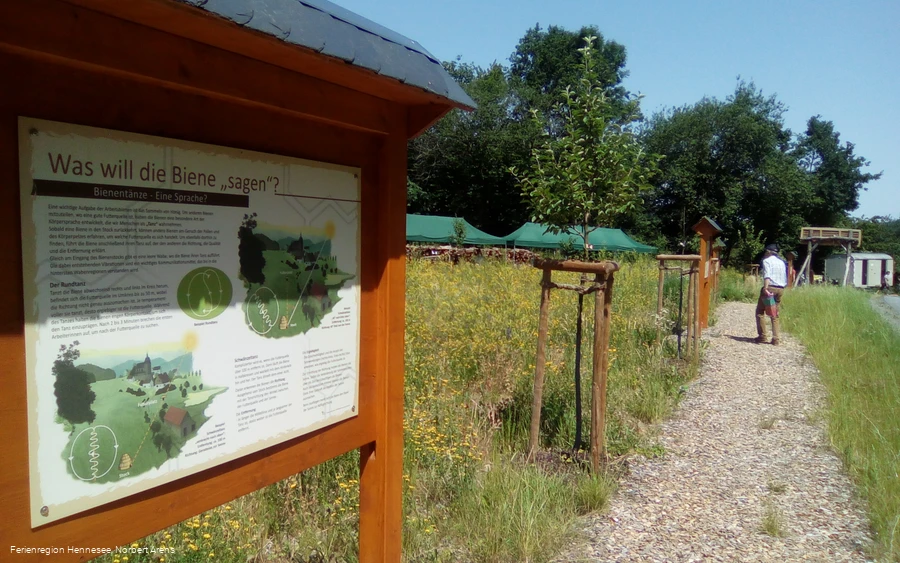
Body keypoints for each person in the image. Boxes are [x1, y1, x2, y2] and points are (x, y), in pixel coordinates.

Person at [756, 243, 788, 345]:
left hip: (770, 289)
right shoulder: (782, 262)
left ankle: (763, 336)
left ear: (769, 252)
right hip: (780, 289)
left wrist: (765, 288)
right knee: (774, 314)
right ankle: (776, 339)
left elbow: (767, 275)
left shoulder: (766, 261)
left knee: (760, 312)